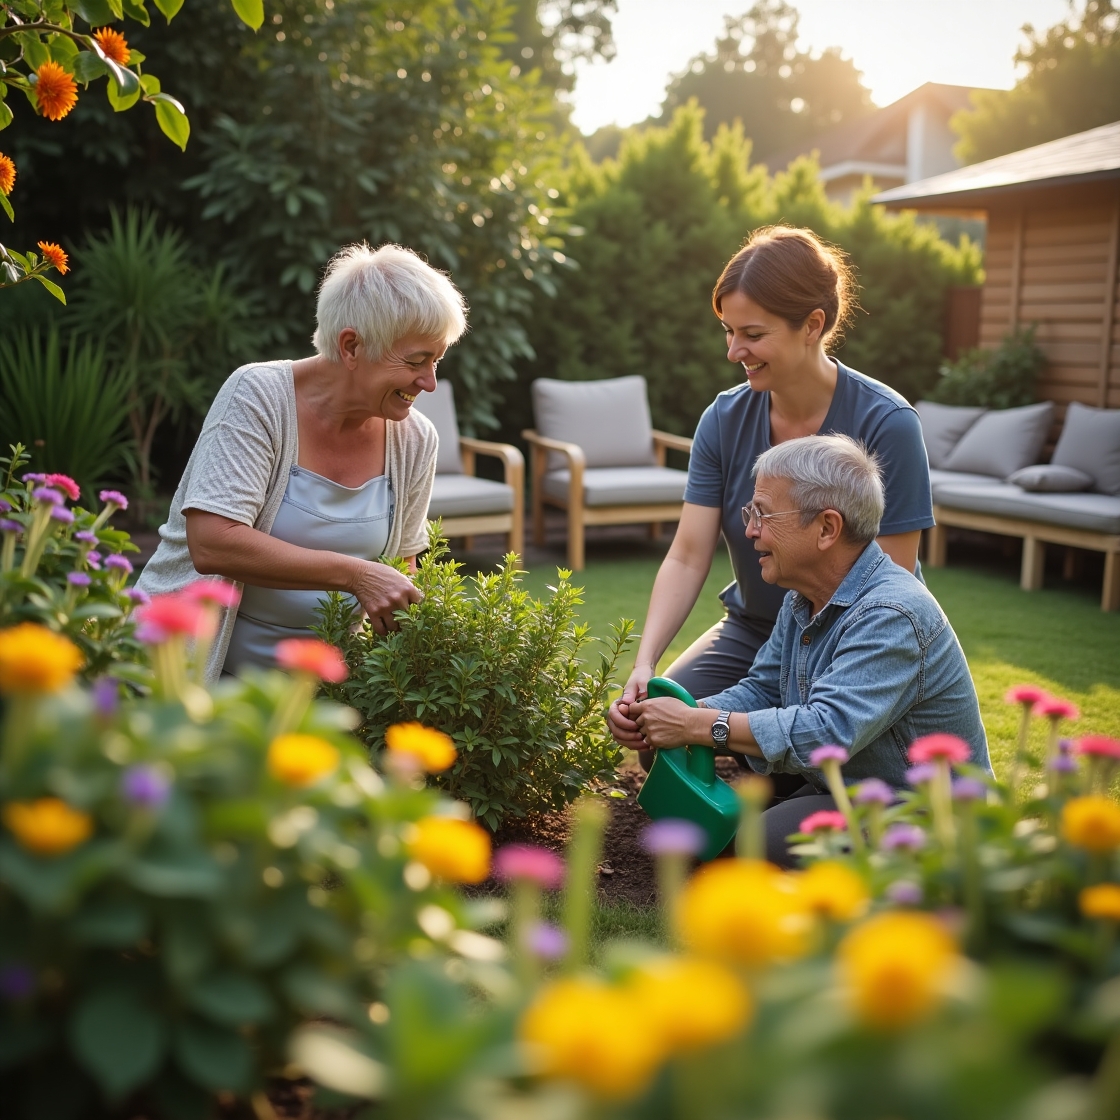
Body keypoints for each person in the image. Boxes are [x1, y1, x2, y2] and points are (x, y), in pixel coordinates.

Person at [608, 226, 935, 782]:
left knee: (800, 754)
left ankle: (788, 798)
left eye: (753, 334)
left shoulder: (887, 423)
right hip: (753, 627)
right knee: (656, 732)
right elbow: (687, 554)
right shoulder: (724, 418)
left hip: (846, 640)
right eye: (729, 331)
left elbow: (892, 576)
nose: (734, 351)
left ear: (812, 325)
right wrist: (645, 664)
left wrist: (760, 713)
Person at [615, 435, 990, 866]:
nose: (750, 529)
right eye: (751, 513)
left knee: (763, 843)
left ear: (827, 528)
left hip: (924, 810)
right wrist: (675, 714)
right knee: (742, 818)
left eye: (763, 514)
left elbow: (825, 731)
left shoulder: (892, 614)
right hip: (852, 782)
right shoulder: (805, 597)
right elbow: (763, 690)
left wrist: (697, 725)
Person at [138, 242, 468, 682]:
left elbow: (399, 572)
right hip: (191, 674)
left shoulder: (415, 439)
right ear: (351, 346)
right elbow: (212, 542)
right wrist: (355, 575)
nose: (429, 382)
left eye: (437, 361)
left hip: (322, 692)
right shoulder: (258, 396)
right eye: (416, 361)